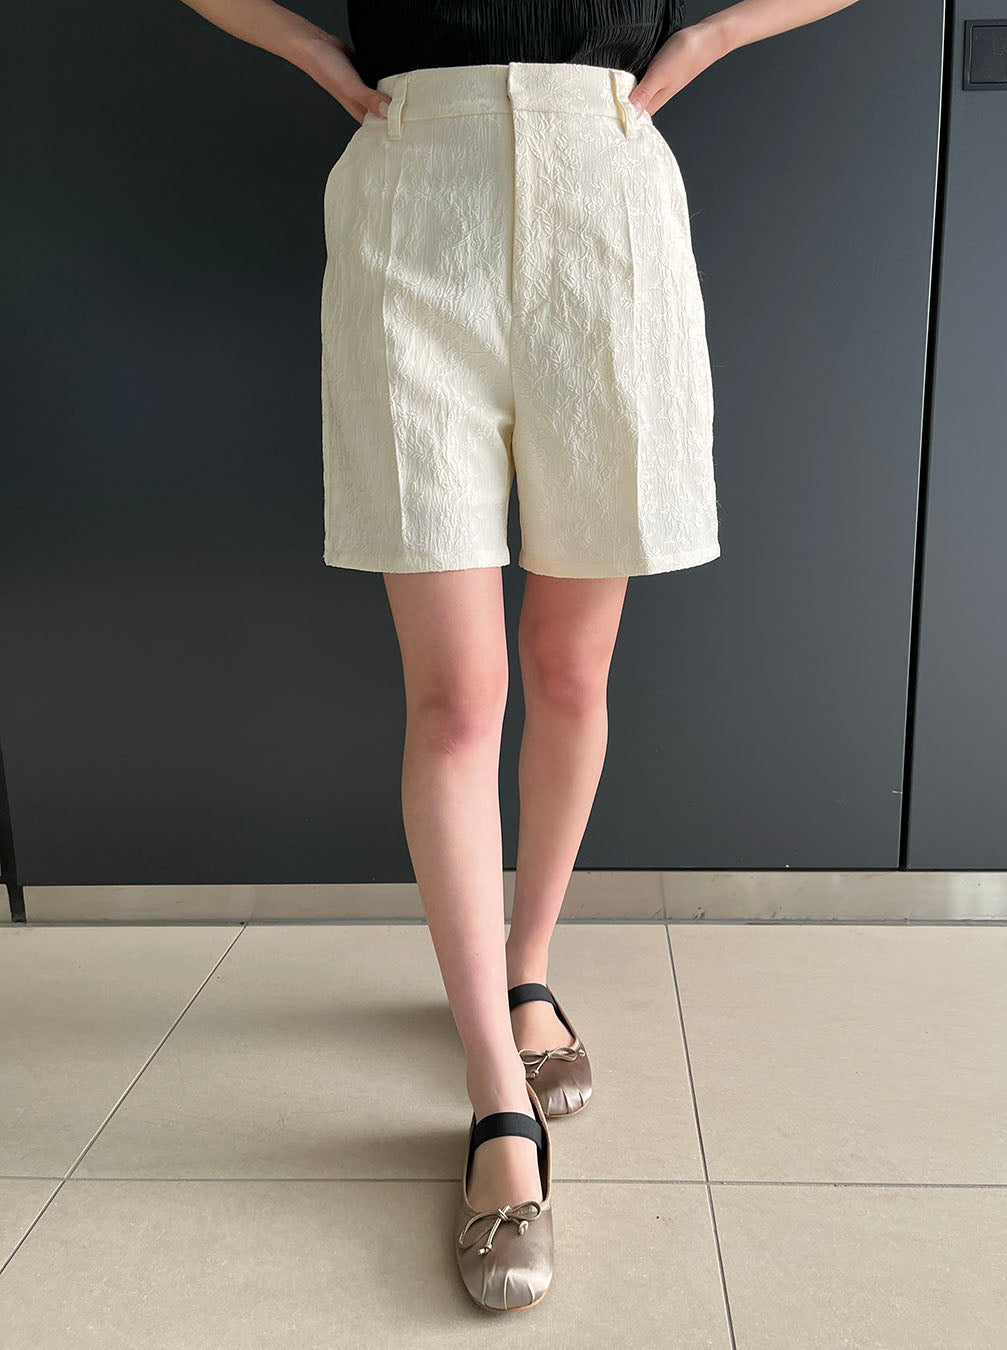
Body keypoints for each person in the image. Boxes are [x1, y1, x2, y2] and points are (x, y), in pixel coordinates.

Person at [181, 0, 860, 1314]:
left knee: (567, 671)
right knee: (455, 702)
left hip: (605, 188)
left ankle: (525, 964)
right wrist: (311, 48)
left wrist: (713, 40)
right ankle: (498, 1097)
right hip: (413, 197)